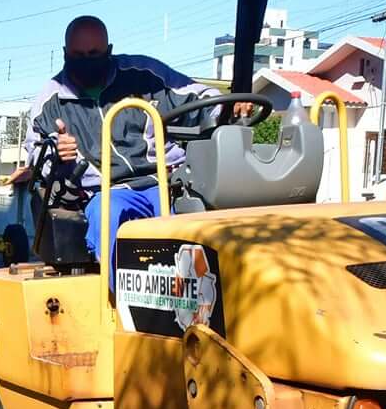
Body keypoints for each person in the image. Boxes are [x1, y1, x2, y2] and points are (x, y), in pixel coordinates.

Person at [13, 16, 231, 268]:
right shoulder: (52, 100)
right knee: (107, 215)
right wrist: (58, 154)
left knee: (202, 225)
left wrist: (229, 108)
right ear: (65, 54)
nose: (86, 60)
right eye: (78, 54)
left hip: (165, 183)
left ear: (109, 51)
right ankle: (123, 304)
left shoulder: (144, 75)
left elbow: (201, 98)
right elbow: (36, 155)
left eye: (94, 53)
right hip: (106, 192)